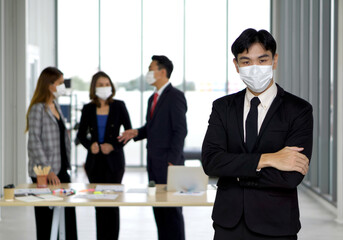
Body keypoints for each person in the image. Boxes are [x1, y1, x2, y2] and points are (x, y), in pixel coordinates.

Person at [201, 28, 313, 240]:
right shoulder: (222, 107)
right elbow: (211, 162)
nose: (255, 68)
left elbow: (291, 177)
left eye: (262, 60)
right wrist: (268, 159)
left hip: (276, 225)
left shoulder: (299, 110)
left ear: (274, 60)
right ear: (236, 65)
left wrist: (234, 173)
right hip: (228, 224)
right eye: (246, 61)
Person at [118, 55, 187, 240]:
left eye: (151, 68)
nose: (148, 73)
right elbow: (153, 127)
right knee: (159, 211)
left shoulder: (176, 97)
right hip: (154, 164)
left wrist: (172, 161)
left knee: (172, 213)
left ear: (162, 72)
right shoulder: (153, 98)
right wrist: (136, 133)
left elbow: (180, 131)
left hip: (169, 164)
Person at [77, 71, 132, 240]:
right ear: (94, 87)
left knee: (113, 204)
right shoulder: (88, 108)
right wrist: (90, 145)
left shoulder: (119, 106)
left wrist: (113, 146)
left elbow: (128, 133)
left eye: (107, 84)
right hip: (94, 163)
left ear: (111, 86)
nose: (104, 87)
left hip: (114, 163)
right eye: (100, 85)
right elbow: (80, 135)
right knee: (99, 205)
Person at [26, 66, 78, 240]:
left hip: (62, 171)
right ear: (49, 85)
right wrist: (48, 170)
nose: (63, 86)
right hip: (44, 173)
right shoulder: (37, 108)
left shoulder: (55, 105)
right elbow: (34, 142)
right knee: (46, 222)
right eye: (60, 83)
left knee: (68, 219)